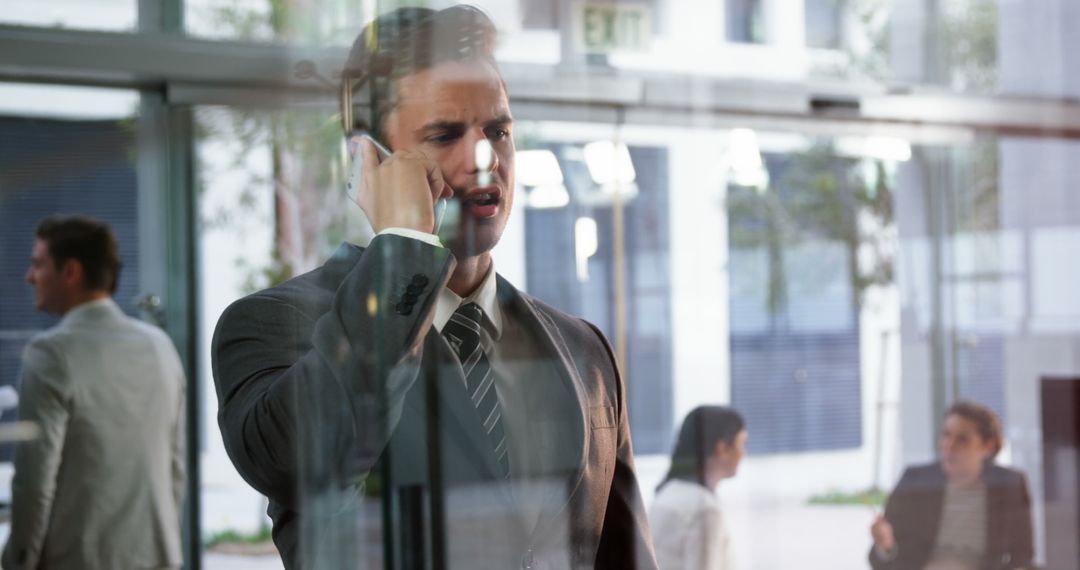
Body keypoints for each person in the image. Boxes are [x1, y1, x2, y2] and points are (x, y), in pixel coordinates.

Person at [211, 6, 657, 570]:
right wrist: (402, 245)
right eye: (446, 134)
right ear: (365, 159)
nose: (486, 159)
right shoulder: (274, 325)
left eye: (499, 130)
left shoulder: (584, 348)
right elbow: (305, 464)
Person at [3, 215, 187, 570]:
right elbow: (175, 466)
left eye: (38, 264)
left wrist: (17, 562)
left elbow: (34, 482)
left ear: (70, 271)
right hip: (157, 557)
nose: (29, 276)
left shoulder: (51, 352)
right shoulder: (159, 346)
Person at [869, 401, 1034, 570]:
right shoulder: (915, 480)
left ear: (988, 446)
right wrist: (885, 546)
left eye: (962, 439)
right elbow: (880, 561)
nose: (949, 445)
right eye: (946, 435)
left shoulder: (1009, 485)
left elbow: (1023, 556)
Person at [649, 406, 747, 570]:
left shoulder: (667, 493)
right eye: (742, 443)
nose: (744, 453)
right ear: (722, 448)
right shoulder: (705, 509)